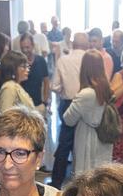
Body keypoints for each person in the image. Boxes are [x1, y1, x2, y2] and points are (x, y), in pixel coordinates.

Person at [63, 50, 115, 173]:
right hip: (104, 138)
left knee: (86, 177)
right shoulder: (106, 89)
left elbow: (68, 119)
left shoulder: (85, 94)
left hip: (87, 139)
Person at [50, 31, 89, 187]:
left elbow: (55, 86)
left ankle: (56, 182)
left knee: (64, 143)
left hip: (67, 104)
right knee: (83, 143)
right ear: (86, 45)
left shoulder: (63, 60)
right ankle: (82, 181)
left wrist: (65, 90)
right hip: (86, 103)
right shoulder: (89, 60)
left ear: (72, 44)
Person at [19, 32, 52, 169]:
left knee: (40, 136)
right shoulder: (19, 62)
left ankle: (40, 163)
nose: (26, 50)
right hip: (23, 105)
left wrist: (45, 101)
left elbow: (46, 81)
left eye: (27, 47)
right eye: (23, 48)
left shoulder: (40, 61)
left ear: (33, 45)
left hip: (38, 104)